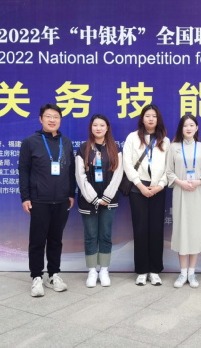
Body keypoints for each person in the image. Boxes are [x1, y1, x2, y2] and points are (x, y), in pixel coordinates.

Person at [18, 104, 75, 297]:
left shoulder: (66, 142)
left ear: (60, 120)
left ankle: (53, 275)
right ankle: (36, 277)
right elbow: (23, 171)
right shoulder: (30, 142)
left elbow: (71, 171)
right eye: (48, 116)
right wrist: (25, 197)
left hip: (62, 200)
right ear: (40, 119)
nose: (52, 120)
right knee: (37, 241)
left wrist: (71, 194)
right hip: (39, 200)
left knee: (56, 240)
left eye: (56, 117)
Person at [123, 104, 169, 286]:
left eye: (154, 116)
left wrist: (160, 185)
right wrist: (140, 185)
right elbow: (127, 163)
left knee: (156, 230)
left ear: (158, 119)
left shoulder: (164, 140)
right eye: (147, 115)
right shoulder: (132, 137)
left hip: (158, 189)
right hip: (138, 189)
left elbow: (169, 167)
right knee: (140, 229)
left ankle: (155, 270)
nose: (151, 119)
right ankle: (142, 271)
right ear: (142, 118)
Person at [75, 114, 123, 288]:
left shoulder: (115, 149)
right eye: (95, 125)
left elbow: (118, 174)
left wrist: (106, 197)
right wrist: (94, 198)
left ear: (107, 128)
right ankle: (91, 271)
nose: (98, 128)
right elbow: (80, 176)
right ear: (91, 127)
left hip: (109, 201)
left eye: (102, 125)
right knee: (90, 236)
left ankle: (104, 270)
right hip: (88, 201)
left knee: (105, 235)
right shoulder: (83, 149)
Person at [166, 115, 201, 288]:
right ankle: (182, 273)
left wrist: (198, 182)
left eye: (191, 125)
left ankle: (192, 273)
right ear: (181, 128)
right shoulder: (173, 147)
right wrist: (181, 182)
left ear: (197, 128)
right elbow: (169, 172)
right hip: (180, 192)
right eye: (185, 125)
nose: (188, 128)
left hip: (196, 193)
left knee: (194, 232)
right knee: (181, 231)